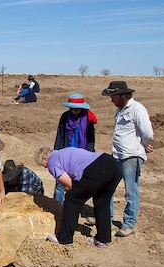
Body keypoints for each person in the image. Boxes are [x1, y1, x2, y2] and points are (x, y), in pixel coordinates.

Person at [39, 146, 122, 248]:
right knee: (102, 202)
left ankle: (64, 238)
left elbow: (69, 184)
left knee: (72, 200)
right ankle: (102, 239)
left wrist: (72, 193)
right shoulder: (62, 152)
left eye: (43, 165)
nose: (45, 167)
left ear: (45, 159)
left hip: (97, 169)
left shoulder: (52, 162)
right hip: (112, 165)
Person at [102, 81, 154, 238]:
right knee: (107, 187)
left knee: (131, 191)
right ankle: (106, 218)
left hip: (130, 156)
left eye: (113, 96)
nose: (111, 100)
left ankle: (129, 224)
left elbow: (148, 133)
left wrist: (143, 145)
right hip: (117, 154)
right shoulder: (120, 110)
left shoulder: (137, 109)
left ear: (123, 95)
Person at [52, 94, 98, 205]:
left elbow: (90, 139)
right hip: (65, 155)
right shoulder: (64, 117)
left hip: (81, 156)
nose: (74, 111)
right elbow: (60, 135)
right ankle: (57, 207)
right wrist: (56, 152)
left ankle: (72, 206)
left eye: (76, 109)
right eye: (72, 108)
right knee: (60, 184)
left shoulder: (87, 118)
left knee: (77, 184)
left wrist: (90, 155)